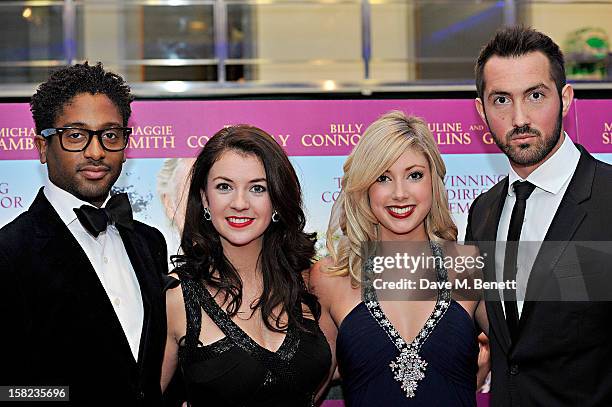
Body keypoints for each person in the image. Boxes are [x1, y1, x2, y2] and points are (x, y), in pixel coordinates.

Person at [0, 62, 170, 405]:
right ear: (42, 146)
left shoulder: (150, 242)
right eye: (76, 135)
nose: (96, 151)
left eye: (110, 134)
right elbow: (9, 392)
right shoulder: (8, 254)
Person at [467, 26, 612, 406]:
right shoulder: (482, 212)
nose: (519, 118)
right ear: (481, 110)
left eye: (535, 96)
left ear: (565, 99)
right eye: (501, 100)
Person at [310, 111, 488, 406]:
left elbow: (529, 356)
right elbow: (307, 388)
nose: (400, 193)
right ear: (365, 186)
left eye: (414, 175)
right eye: (383, 178)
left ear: (433, 181)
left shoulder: (469, 265)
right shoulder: (330, 277)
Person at [161, 125, 331, 406]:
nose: (240, 203)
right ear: (204, 197)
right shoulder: (177, 296)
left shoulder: (305, 280)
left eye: (257, 188)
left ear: (277, 198)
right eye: (224, 187)